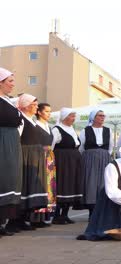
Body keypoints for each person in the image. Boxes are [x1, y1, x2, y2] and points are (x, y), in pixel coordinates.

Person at [12, 94, 48, 231]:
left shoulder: (32, 120)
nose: (37, 107)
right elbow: (16, 139)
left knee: (30, 186)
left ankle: (23, 219)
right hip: (25, 156)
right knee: (23, 187)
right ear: (26, 106)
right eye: (34, 105)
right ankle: (15, 220)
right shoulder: (21, 119)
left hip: (34, 157)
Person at [0, 68, 23, 236]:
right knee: (3, 178)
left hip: (11, 142)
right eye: (10, 81)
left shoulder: (7, 100)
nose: (13, 85)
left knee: (11, 179)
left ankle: (2, 223)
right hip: (2, 141)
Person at [79, 110, 113, 219]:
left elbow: (111, 147)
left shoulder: (109, 130)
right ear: (93, 117)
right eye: (100, 115)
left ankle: (102, 211)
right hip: (89, 159)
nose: (102, 117)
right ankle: (91, 211)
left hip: (104, 158)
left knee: (103, 183)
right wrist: (91, 155)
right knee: (91, 184)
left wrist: (104, 155)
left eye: (104, 115)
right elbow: (81, 147)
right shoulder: (85, 131)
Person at [51, 108, 83, 225]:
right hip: (62, 161)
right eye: (71, 116)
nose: (73, 118)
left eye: (74, 116)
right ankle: (56, 216)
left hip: (73, 161)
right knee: (62, 186)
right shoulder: (56, 129)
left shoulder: (72, 129)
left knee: (71, 186)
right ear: (64, 117)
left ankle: (65, 215)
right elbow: (51, 147)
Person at [31, 103, 56, 228]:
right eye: (46, 111)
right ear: (39, 112)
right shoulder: (35, 125)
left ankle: (44, 216)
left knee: (48, 187)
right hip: (39, 157)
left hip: (49, 157)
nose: (49, 114)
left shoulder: (48, 127)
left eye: (50, 111)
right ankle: (35, 217)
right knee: (39, 184)